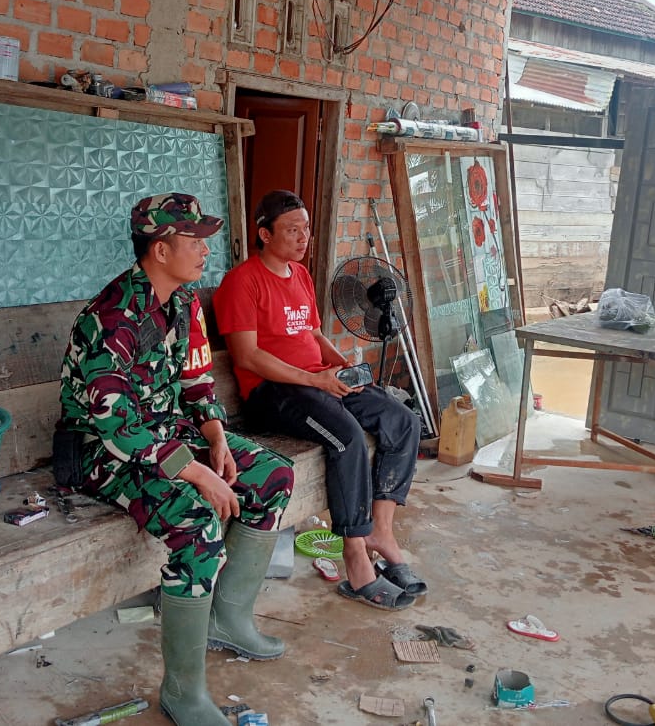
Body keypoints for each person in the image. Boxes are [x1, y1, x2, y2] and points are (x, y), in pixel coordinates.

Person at [58, 192, 294, 726]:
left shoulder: (183, 301)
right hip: (103, 453)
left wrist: (216, 439)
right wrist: (198, 473)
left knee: (274, 475)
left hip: (168, 433)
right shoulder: (110, 317)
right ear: (160, 250)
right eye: (194, 240)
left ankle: (228, 621)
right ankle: (183, 693)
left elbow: (195, 380)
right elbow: (117, 427)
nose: (205, 250)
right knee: (198, 522)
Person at [214, 189, 426, 611]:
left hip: (317, 383)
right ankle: (355, 555)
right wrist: (317, 381)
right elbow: (248, 356)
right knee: (346, 436)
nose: (303, 237)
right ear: (264, 234)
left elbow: (312, 335)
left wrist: (341, 368)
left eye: (306, 228)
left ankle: (381, 532)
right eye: (292, 230)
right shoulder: (242, 281)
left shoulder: (300, 276)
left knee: (402, 421)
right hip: (272, 393)